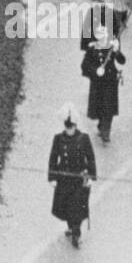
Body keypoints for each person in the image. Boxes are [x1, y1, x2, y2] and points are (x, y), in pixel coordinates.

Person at [48, 103, 97, 248]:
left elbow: (91, 158)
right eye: (67, 128)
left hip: (79, 180)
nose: (69, 131)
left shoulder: (84, 138)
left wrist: (91, 177)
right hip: (64, 179)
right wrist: (52, 177)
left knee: (76, 207)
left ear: (75, 126)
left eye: (71, 128)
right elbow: (53, 158)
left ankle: (76, 234)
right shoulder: (58, 139)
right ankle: (72, 228)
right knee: (66, 206)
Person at [81, 26, 125, 144]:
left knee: (108, 108)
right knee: (100, 107)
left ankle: (106, 132)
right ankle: (101, 124)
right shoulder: (92, 49)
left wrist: (117, 51)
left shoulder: (112, 47)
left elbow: (122, 61)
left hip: (110, 83)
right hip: (97, 84)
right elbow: (84, 65)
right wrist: (95, 70)